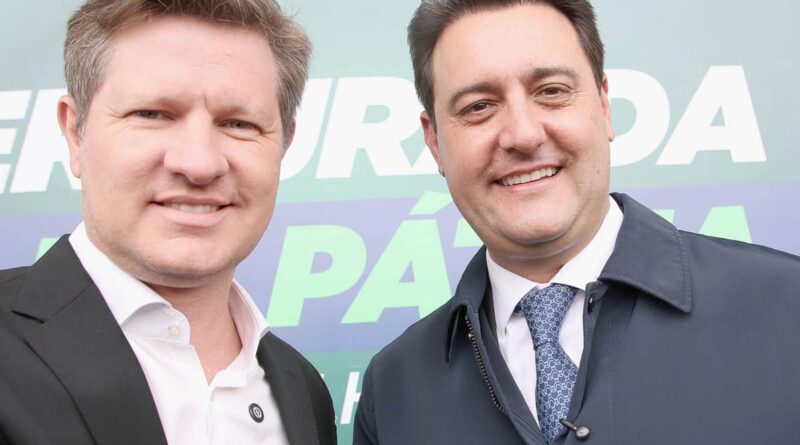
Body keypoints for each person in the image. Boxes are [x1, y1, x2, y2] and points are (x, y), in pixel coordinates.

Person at [353, 1, 800, 444]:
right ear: (435, 142)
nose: (523, 135)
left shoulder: (786, 307)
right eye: (478, 107)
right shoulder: (392, 390)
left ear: (604, 106)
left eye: (551, 91)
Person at [0, 1, 336, 444]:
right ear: (75, 132)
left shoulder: (303, 391)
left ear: (284, 146)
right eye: (152, 115)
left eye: (239, 124)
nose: (199, 164)